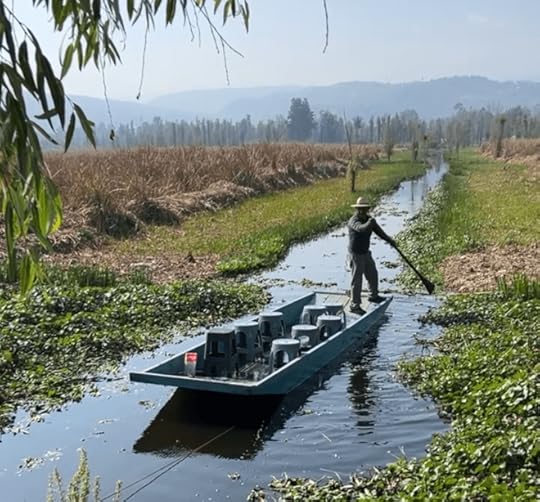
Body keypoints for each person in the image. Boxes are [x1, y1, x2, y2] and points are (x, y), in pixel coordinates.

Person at [347, 196, 396, 314]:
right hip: (356, 254)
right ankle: (355, 305)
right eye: (360, 209)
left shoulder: (369, 219)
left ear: (368, 209)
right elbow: (361, 229)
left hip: (365, 252)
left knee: (372, 274)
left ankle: (373, 295)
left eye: (365, 209)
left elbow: (379, 232)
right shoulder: (354, 220)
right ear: (357, 209)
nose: (363, 211)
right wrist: (370, 223)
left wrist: (390, 240)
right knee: (357, 280)